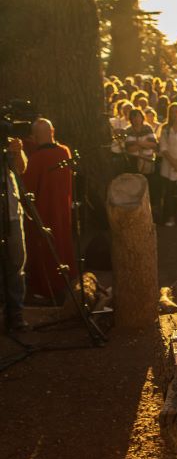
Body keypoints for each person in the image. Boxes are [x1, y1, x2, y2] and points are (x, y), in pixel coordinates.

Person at [21, 118, 76, 304]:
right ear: (52, 132)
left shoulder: (37, 159)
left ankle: (44, 287)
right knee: (62, 243)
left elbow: (26, 189)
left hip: (43, 212)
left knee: (43, 247)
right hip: (62, 209)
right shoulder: (64, 152)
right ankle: (63, 281)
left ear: (35, 136)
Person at [2, 136, 27, 331]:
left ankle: (16, 313)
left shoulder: (8, 141)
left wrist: (17, 151)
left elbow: (21, 168)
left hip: (11, 210)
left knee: (17, 261)